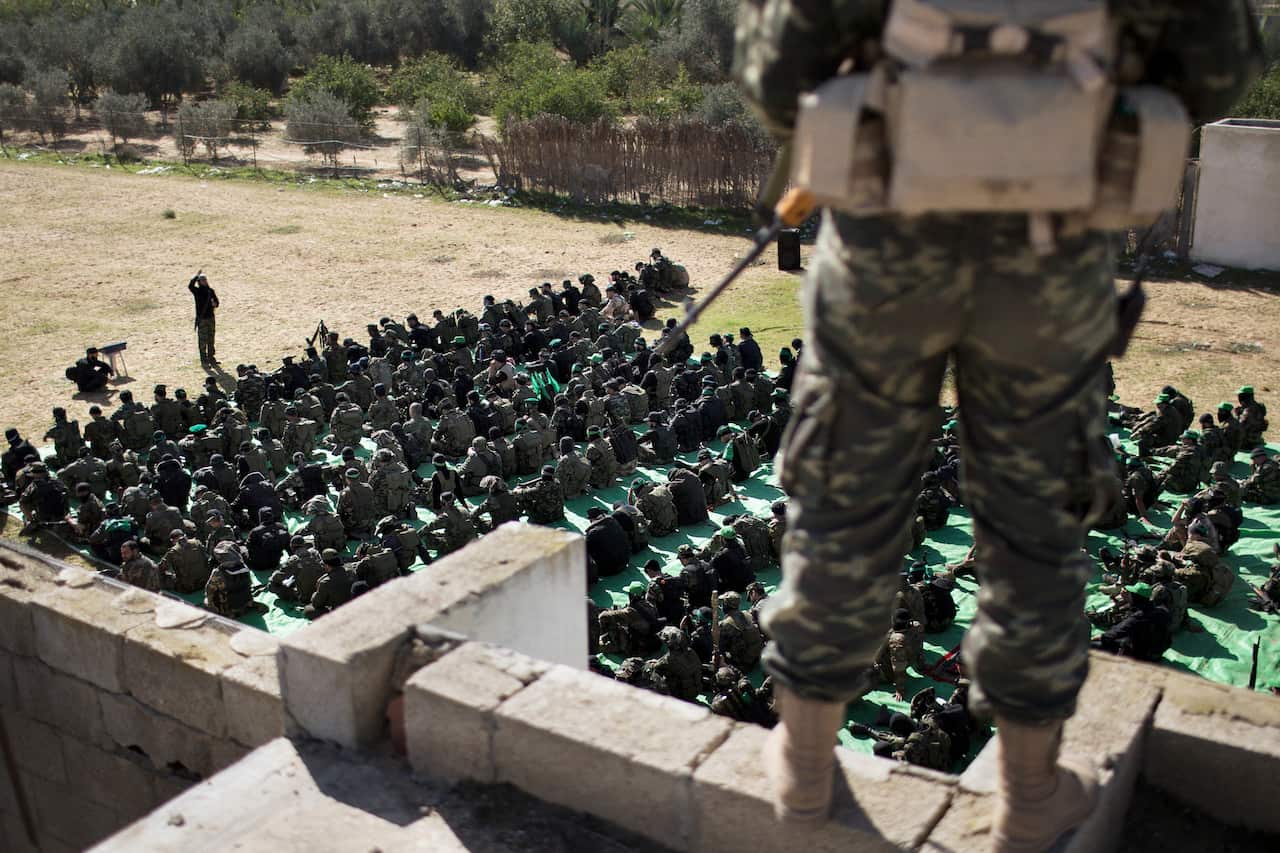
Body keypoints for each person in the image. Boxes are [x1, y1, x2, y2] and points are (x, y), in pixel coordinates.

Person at [734, 1, 1262, 847]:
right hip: (1050, 248)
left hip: (885, 241)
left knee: (845, 498)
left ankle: (802, 781)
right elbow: (1219, 62)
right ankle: (1028, 796)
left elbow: (774, 69)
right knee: (1034, 520)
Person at [189, 273, 220, 366]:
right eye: (203, 280)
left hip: (211, 318)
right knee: (203, 340)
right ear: (199, 282)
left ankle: (211, 357)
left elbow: (217, 302)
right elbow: (190, 286)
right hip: (202, 319)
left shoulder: (210, 291)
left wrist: (215, 303)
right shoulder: (197, 291)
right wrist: (195, 276)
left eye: (205, 280)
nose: (205, 282)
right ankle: (204, 358)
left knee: (211, 338)